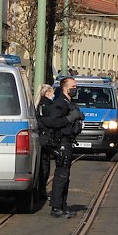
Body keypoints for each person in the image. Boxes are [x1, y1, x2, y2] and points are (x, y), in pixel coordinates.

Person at [43, 77, 85, 219]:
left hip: (67, 142)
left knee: (65, 175)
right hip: (62, 143)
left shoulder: (68, 103)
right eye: (73, 86)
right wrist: (69, 119)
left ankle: (62, 205)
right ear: (66, 88)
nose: (75, 88)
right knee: (61, 175)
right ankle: (56, 207)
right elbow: (52, 122)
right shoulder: (60, 103)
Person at [35, 84, 56, 201]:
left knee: (44, 164)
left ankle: (41, 188)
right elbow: (47, 122)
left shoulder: (40, 104)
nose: (53, 94)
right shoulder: (46, 105)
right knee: (44, 165)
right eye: (52, 92)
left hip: (43, 137)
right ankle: (41, 189)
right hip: (45, 138)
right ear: (47, 93)